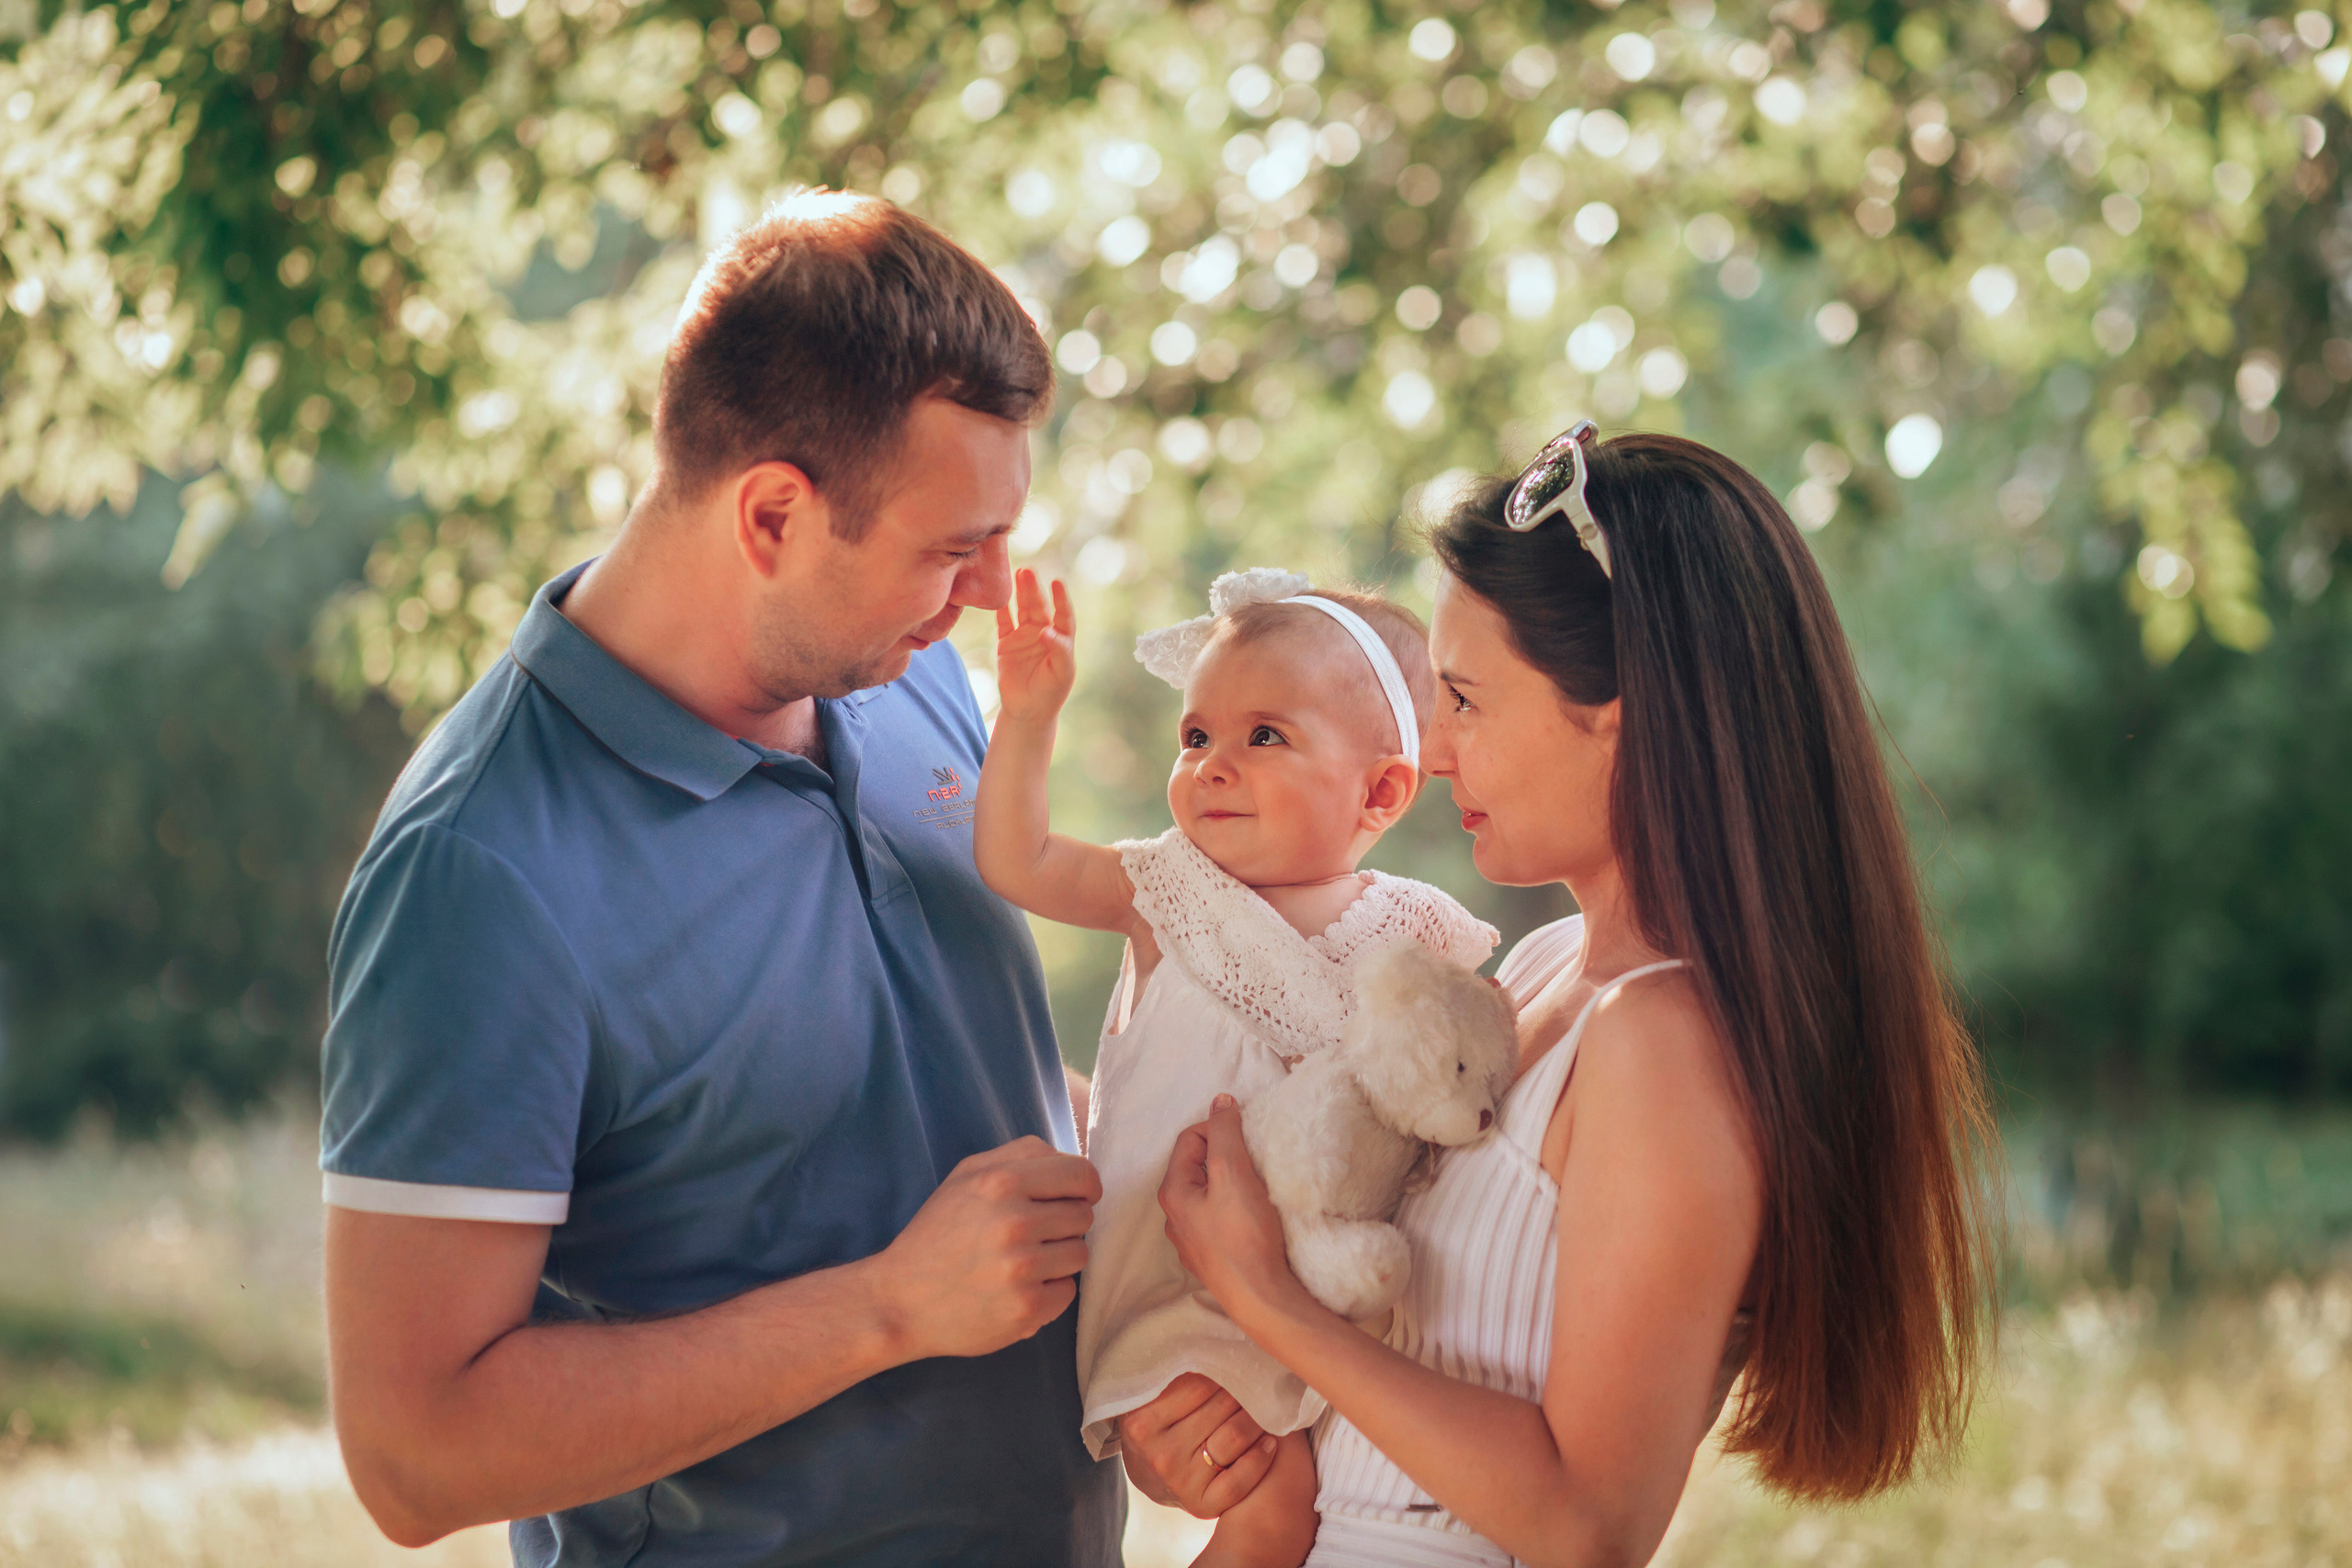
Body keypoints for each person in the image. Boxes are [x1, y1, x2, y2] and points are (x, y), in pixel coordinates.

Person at [315, 192, 1124, 1566]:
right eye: (950, 548)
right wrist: (886, 1304)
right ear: (771, 514)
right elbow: (414, 1451)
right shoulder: (477, 871)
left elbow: (927, 1080)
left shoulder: (902, 674)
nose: (988, 595)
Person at [1136, 425, 2001, 1567]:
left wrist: (1261, 1298)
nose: (1434, 753)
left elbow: (1589, 1525)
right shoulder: (1539, 973)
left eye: (1464, 699)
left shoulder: (1663, 1042)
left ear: (1621, 711)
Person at [976, 565, 1498, 1565]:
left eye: (1263, 736)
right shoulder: (1164, 892)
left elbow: (1463, 1081)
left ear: (1381, 789)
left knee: (1346, 1473)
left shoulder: (1413, 932)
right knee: (1274, 1490)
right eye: (1195, 736)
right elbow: (1019, 859)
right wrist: (1029, 715)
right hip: (1174, 1285)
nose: (1211, 764)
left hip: (1336, 1287)